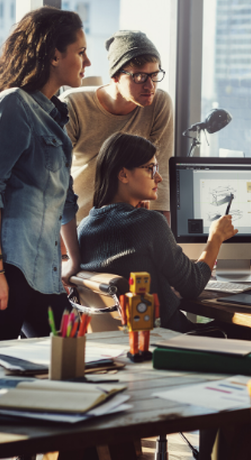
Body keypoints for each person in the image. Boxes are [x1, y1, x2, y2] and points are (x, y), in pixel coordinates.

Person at [78, 132, 237, 333]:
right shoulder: (149, 223)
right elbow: (193, 285)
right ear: (123, 174)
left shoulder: (85, 226)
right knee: (249, 333)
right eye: (151, 169)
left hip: (120, 344)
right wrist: (215, 238)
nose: (159, 178)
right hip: (167, 341)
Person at [0, 7, 90, 340]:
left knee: (73, 352)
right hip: (11, 269)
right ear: (54, 55)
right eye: (81, 52)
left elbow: (65, 201)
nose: (87, 62)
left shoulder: (57, 117)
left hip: (46, 274)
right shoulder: (14, 105)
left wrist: (75, 263)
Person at [61, 30, 173, 222]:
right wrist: (65, 238)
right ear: (115, 76)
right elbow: (58, 180)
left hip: (129, 224)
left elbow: (161, 174)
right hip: (79, 223)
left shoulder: (159, 103)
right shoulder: (74, 105)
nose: (150, 86)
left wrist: (162, 237)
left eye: (154, 75)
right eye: (139, 77)